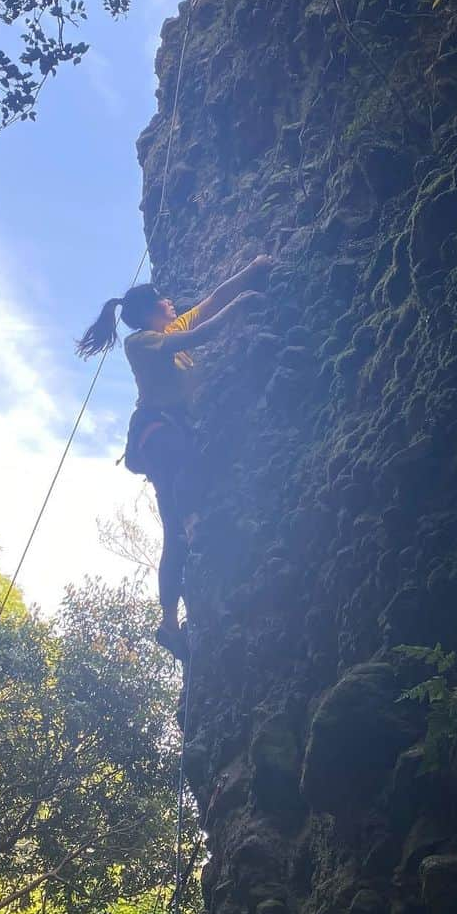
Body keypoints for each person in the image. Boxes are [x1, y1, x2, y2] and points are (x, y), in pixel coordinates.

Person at [76, 256, 271, 660]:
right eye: (164, 301)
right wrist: (245, 304)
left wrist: (252, 269)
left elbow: (212, 301)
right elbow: (201, 333)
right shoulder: (142, 341)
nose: (172, 305)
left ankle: (168, 622)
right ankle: (194, 523)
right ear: (150, 311)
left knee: (173, 539)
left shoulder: (166, 329)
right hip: (157, 431)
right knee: (184, 464)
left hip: (169, 437)